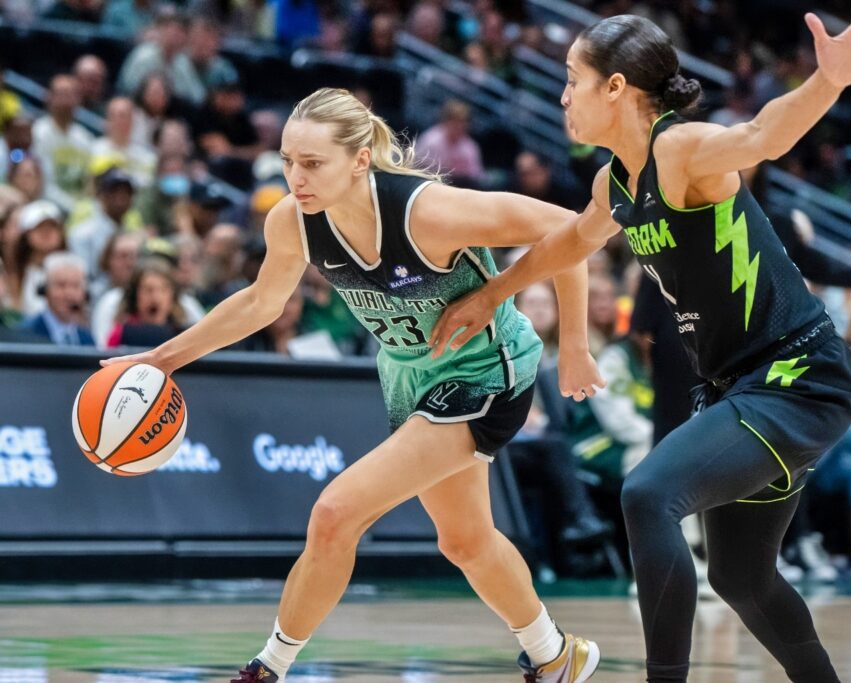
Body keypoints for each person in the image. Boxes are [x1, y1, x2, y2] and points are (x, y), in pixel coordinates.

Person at [429, 5, 851, 681]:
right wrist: (490, 293)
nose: (563, 94)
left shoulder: (676, 150)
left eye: (574, 79)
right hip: (743, 387)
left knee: (647, 492)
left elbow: (762, 135)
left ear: (617, 88)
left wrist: (827, 81)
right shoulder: (614, 183)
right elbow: (570, 241)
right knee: (744, 579)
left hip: (798, 373)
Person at [103, 87, 604, 683]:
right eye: (288, 161)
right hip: (407, 373)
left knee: (336, 512)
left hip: (486, 369)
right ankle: (556, 656)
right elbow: (262, 302)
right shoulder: (294, 220)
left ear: (360, 159)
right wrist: (162, 359)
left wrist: (570, 344)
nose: (297, 177)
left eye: (313, 164)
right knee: (465, 542)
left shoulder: (428, 213)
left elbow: (571, 233)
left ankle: (269, 668)